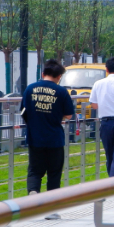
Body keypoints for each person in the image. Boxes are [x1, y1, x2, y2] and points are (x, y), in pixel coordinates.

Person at [21, 59, 75, 193]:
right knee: (54, 173)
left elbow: (23, 111)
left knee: (34, 170)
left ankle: (33, 192)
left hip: (35, 137)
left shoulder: (30, 89)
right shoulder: (61, 92)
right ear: (59, 77)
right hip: (54, 138)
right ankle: (51, 205)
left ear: (43, 73)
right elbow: (69, 115)